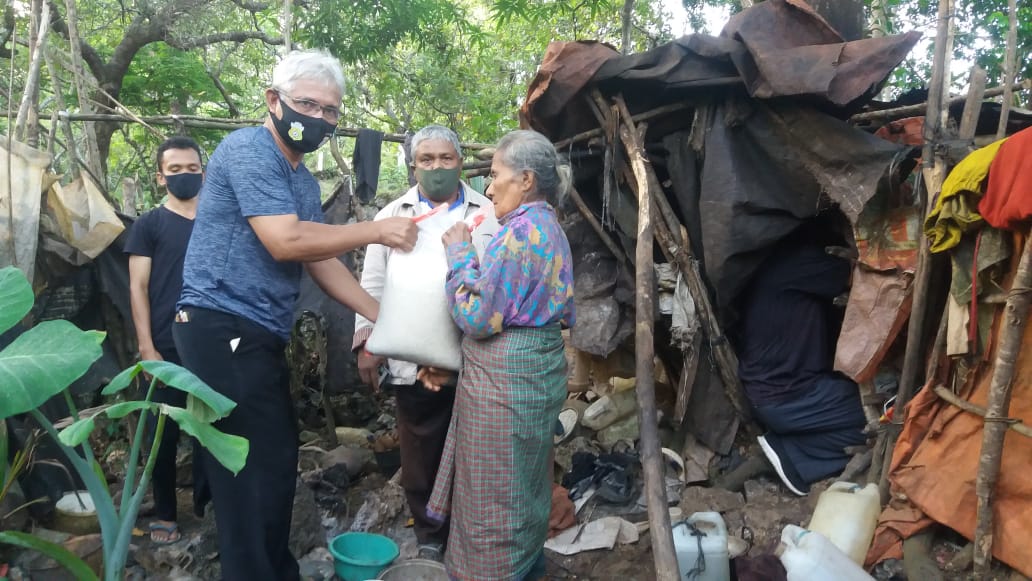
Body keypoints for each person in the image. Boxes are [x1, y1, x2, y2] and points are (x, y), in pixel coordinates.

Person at [171, 49, 417, 581]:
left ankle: (273, 569)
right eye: (308, 104)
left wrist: (385, 320)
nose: (319, 119)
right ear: (273, 100)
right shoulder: (248, 150)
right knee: (248, 472)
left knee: (276, 463)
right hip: (219, 324)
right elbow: (285, 241)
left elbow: (321, 260)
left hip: (256, 332)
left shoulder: (301, 182)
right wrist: (376, 229)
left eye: (331, 111)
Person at [422, 130, 575, 581]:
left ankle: (490, 572)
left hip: (505, 388)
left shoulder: (519, 235)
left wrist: (459, 254)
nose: (488, 188)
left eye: (495, 175)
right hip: (536, 375)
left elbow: (478, 318)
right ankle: (527, 567)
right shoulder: (552, 229)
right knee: (525, 488)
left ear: (526, 180)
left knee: (493, 497)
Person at [352, 125, 499, 562]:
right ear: (413, 165)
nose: (436, 167)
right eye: (427, 160)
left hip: (474, 353)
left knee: (478, 444)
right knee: (420, 444)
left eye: (446, 158)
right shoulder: (391, 215)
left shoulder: (489, 212)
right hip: (410, 354)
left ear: (460, 162)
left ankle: (473, 531)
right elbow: (372, 281)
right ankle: (431, 533)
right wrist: (367, 339)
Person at [732, 223, 867, 496]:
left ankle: (795, 446)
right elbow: (864, 277)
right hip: (790, 397)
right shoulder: (801, 263)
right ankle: (796, 456)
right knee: (889, 416)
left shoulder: (776, 265)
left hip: (772, 393)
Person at [125, 136, 205, 545]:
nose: (185, 176)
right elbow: (137, 288)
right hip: (165, 343)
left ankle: (211, 506)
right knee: (163, 432)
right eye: (175, 170)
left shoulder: (218, 219)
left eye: (192, 169)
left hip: (213, 342)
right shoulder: (150, 224)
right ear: (161, 177)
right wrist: (146, 349)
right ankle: (167, 513)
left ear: (202, 172)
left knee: (216, 425)